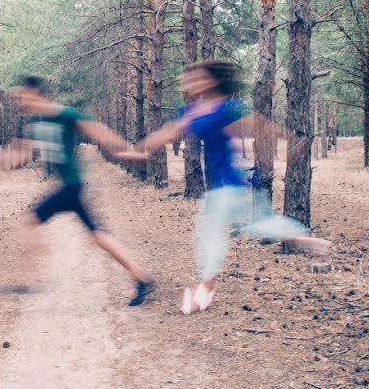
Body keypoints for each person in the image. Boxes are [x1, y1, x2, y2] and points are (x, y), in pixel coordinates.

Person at [117, 61, 330, 315]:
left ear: (212, 81)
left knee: (210, 236)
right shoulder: (193, 110)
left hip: (226, 185)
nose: (189, 84)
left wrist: (290, 138)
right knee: (253, 225)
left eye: (196, 78)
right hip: (228, 184)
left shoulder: (224, 108)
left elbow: (260, 126)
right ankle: (301, 236)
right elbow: (166, 133)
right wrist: (138, 151)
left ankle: (204, 293)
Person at [0, 76, 156, 307]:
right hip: (70, 187)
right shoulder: (35, 123)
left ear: (39, 94)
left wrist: (126, 151)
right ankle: (142, 277)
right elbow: (21, 153)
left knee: (30, 220)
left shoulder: (65, 114)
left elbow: (98, 131)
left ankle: (26, 281)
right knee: (98, 236)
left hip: (72, 185)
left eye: (24, 95)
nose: (20, 101)